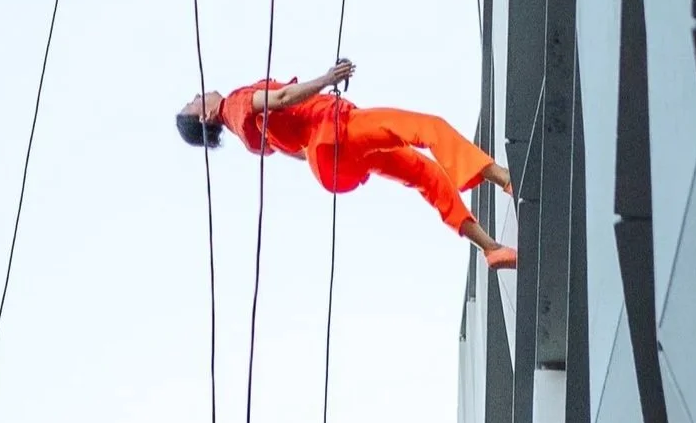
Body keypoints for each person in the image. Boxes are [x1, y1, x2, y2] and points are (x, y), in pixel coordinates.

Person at [177, 59, 516, 267]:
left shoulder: (245, 134)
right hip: (338, 134)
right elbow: (279, 98)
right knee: (428, 128)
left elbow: (294, 150)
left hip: (331, 159)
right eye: (193, 103)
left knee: (425, 175)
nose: (197, 95)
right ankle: (504, 179)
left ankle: (491, 249)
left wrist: (320, 141)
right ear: (206, 116)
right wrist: (326, 80)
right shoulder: (235, 106)